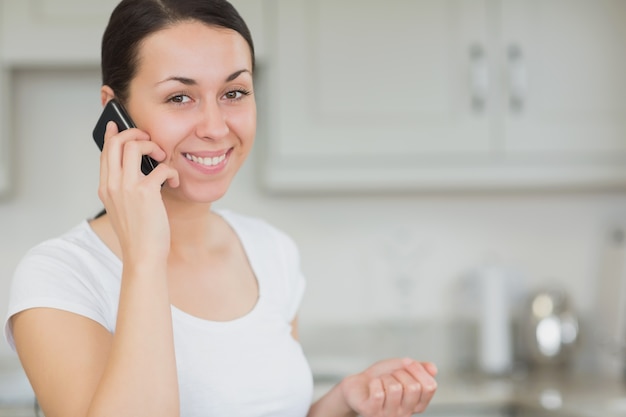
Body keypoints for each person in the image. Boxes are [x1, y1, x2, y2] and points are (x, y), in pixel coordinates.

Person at [3, 1, 438, 416]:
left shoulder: (270, 251)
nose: (215, 127)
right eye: (179, 97)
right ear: (114, 113)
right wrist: (145, 258)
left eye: (234, 92)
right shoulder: (59, 276)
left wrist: (341, 404)